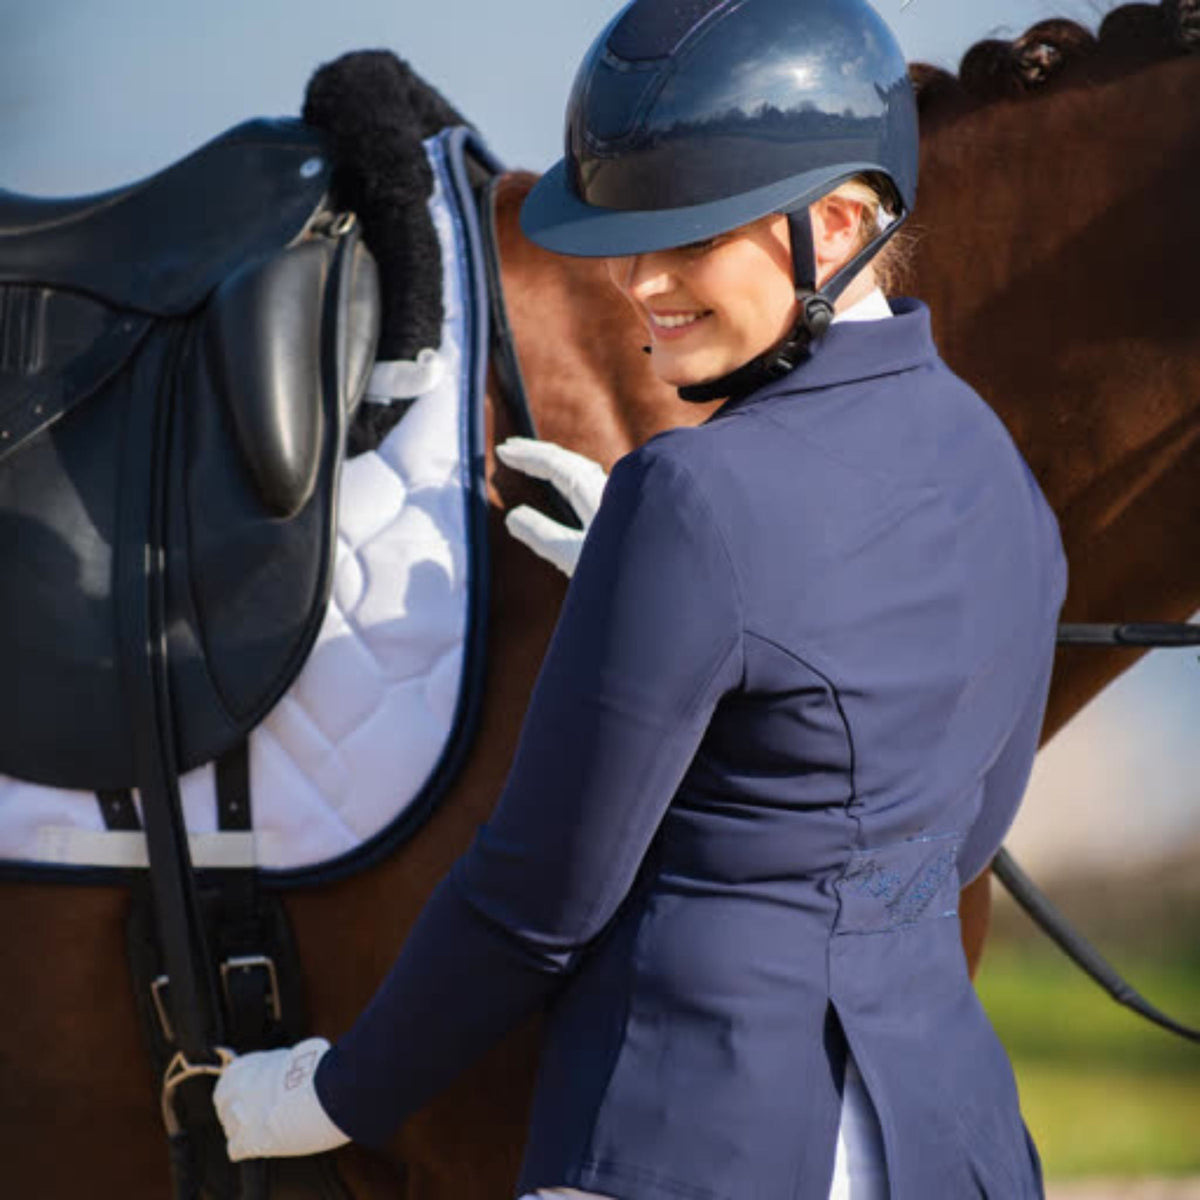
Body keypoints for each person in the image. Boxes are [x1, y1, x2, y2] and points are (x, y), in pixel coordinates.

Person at [214, 1, 1067, 1196]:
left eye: (691, 238)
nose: (639, 282)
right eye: (629, 237)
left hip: (687, 1140)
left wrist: (330, 1094)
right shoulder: (997, 467)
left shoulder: (690, 496)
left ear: (837, 220)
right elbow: (954, 835)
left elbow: (536, 898)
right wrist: (666, 605)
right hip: (947, 1145)